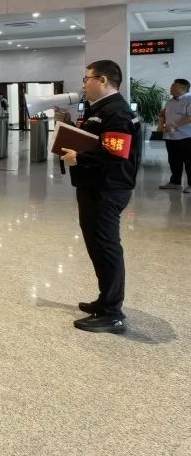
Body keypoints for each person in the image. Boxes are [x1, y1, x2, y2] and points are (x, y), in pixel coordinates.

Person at [58, 60, 142, 334]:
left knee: (106, 248)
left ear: (103, 80)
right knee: (98, 246)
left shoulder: (116, 112)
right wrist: (68, 126)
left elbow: (116, 154)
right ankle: (105, 300)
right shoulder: (102, 109)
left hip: (107, 189)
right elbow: (96, 141)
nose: (84, 84)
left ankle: (112, 313)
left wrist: (79, 158)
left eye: (87, 79)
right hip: (96, 186)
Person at [158, 78, 191, 192]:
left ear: (183, 88)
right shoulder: (170, 101)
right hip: (171, 136)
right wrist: (161, 122)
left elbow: (190, 117)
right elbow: (164, 114)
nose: (171, 88)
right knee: (174, 160)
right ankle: (175, 182)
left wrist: (174, 125)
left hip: (186, 136)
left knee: (189, 161)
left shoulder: (189, 99)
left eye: (174, 86)